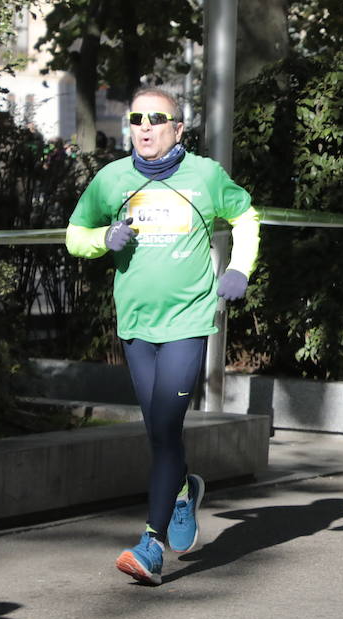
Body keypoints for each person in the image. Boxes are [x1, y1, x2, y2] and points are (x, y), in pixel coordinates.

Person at [66, 87, 260, 584]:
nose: (145, 126)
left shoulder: (205, 175)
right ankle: (182, 490)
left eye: (158, 118)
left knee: (167, 424)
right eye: (137, 118)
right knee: (159, 432)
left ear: (178, 129)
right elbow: (75, 234)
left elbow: (245, 215)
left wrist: (239, 267)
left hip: (188, 322)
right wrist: (101, 239)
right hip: (135, 324)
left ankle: (149, 545)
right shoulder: (111, 180)